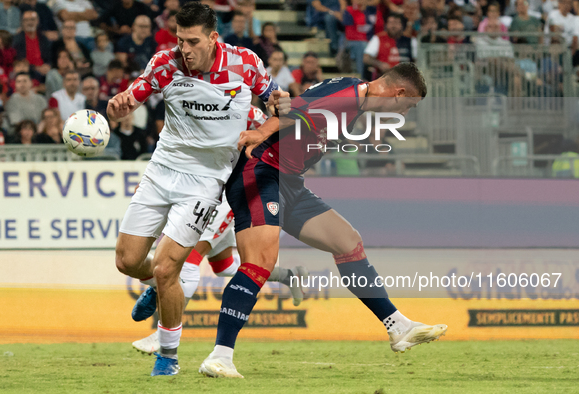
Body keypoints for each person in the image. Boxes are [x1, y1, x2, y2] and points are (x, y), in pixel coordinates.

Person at [199, 63, 447, 379]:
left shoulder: (356, 95)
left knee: (348, 242)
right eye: (409, 106)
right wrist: (262, 131)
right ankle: (220, 356)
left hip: (289, 182)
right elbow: (296, 109)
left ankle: (397, 326)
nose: (406, 114)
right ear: (398, 93)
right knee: (260, 262)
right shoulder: (346, 96)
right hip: (261, 172)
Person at [108, 2, 283, 377]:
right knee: (127, 260)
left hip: (205, 182)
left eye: (192, 41)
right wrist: (120, 104)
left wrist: (263, 129)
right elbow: (134, 94)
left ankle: (167, 358)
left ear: (213, 38)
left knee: (169, 264)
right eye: (179, 39)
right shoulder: (165, 63)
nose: (184, 49)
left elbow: (282, 106)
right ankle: (158, 286)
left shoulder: (245, 64)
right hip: (162, 170)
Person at [130, 105, 309, 355]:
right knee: (223, 265)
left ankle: (163, 336)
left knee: (189, 263)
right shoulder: (200, 104)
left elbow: (281, 129)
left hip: (225, 193)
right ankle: (289, 275)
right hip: (203, 187)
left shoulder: (243, 110)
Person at [364, 13, 413, 79]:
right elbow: (366, 58)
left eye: (396, 23)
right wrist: (380, 64)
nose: (393, 26)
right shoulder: (378, 38)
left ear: (402, 25)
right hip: (384, 77)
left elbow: (417, 60)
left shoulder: (410, 41)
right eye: (390, 22)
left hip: (405, 78)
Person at [12, 10, 52, 78]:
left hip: (45, 71)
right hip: (27, 71)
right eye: (26, 20)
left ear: (37, 21)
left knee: (53, 74)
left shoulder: (44, 38)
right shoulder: (16, 39)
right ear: (23, 22)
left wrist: (48, 65)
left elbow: (50, 57)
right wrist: (35, 68)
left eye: (32, 19)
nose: (29, 22)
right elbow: (18, 59)